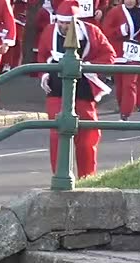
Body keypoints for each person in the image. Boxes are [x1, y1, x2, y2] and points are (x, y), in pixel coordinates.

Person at [41, 0, 118, 179]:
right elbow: (42, 55)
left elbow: (109, 55)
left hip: (83, 89)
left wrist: (89, 66)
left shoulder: (92, 32)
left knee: (88, 134)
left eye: (67, 23)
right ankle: (60, 177)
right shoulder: (48, 32)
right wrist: (45, 74)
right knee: (57, 133)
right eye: (61, 22)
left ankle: (87, 178)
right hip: (56, 88)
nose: (63, 26)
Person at [102, 0, 140, 118]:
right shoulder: (115, 12)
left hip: (135, 52)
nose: (129, 1)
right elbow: (105, 31)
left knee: (129, 83)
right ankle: (122, 109)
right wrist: (120, 30)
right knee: (120, 84)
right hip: (119, 53)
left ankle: (126, 113)